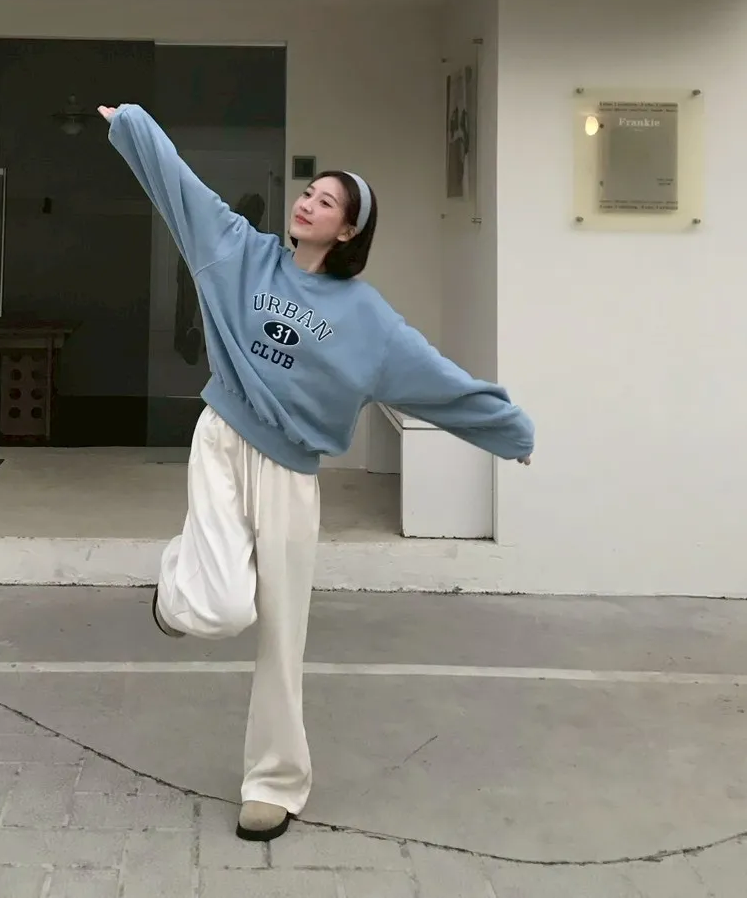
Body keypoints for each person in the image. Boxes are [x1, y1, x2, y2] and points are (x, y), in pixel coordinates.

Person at [98, 103, 535, 844]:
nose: (307, 203)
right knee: (219, 610)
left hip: (291, 473)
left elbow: (438, 381)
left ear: (349, 230)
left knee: (281, 634)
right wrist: (133, 122)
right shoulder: (240, 251)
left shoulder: (369, 321)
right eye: (309, 192)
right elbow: (181, 188)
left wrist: (508, 430)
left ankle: (273, 783)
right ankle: (177, 592)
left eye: (327, 202)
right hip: (221, 441)